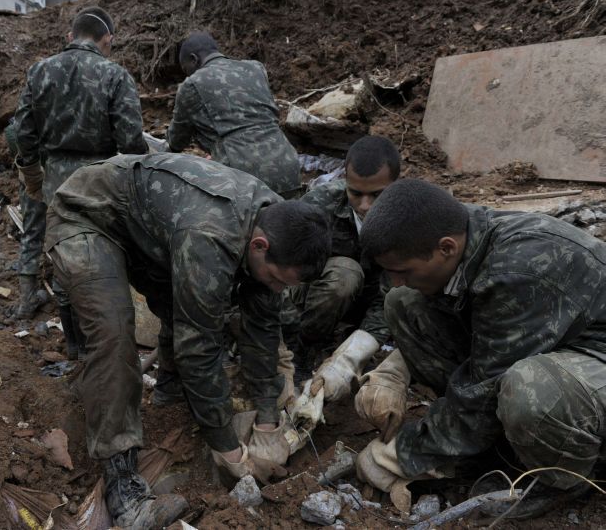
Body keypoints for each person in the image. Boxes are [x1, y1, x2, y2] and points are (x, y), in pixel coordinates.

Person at [45, 152, 331, 527]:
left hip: (152, 231)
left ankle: (169, 396)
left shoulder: (279, 223)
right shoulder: (211, 237)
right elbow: (199, 347)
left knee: (191, 308)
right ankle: (123, 487)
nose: (277, 288)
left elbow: (262, 326)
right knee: (114, 334)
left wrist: (266, 421)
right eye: (277, 279)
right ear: (259, 246)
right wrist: (227, 448)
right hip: (88, 215)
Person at [354, 178, 606, 519]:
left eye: (403, 270)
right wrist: (394, 372)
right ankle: (488, 439)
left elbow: (486, 386)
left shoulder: (518, 268)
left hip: (595, 355)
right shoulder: (462, 233)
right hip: (555, 339)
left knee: (530, 387)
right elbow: (485, 343)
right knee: (404, 302)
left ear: (445, 248)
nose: (395, 279)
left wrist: (405, 453)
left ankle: (558, 477)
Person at [12, 6, 147, 358]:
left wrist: (32, 172)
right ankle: (105, 341)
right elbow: (131, 139)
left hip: (53, 178)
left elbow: (21, 132)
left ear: (70, 36)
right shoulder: (115, 74)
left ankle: (73, 345)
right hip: (101, 182)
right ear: (107, 40)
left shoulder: (39, 71)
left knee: (63, 261)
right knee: (104, 257)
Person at [284, 136, 399, 384]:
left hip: (375, 299)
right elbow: (284, 272)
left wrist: (358, 349)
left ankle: (353, 340)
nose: (365, 205)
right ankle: (302, 353)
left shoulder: (409, 217)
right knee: (345, 274)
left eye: (377, 195)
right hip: (321, 293)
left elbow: (393, 293)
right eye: (355, 193)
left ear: (395, 185)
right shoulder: (319, 205)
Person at [166, 32, 300, 197]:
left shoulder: (192, 84)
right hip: (288, 164)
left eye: (186, 68)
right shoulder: (255, 68)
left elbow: (176, 141)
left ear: (194, 59)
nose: (187, 74)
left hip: (244, 176)